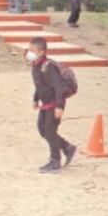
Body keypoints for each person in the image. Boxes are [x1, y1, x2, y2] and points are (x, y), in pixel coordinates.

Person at [27, 37, 77, 173]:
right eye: (29, 50)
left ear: (41, 52)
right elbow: (39, 85)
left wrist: (59, 106)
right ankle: (67, 147)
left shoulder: (48, 67)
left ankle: (55, 160)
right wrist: (35, 99)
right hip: (45, 103)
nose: (29, 53)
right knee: (42, 129)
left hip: (55, 103)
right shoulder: (35, 67)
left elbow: (58, 87)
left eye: (32, 50)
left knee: (49, 130)